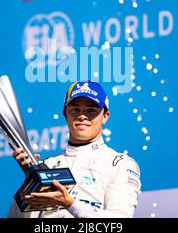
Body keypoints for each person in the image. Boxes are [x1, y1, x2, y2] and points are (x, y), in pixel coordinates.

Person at [7, 80, 141, 218]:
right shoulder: (48, 165)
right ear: (65, 114)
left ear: (105, 116)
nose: (82, 115)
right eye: (75, 109)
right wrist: (30, 181)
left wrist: (70, 204)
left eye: (91, 110)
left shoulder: (120, 164)